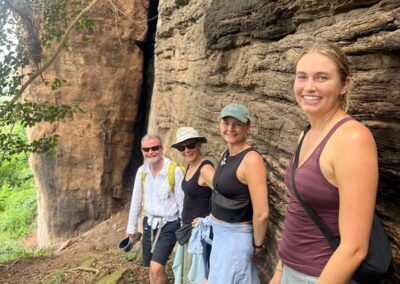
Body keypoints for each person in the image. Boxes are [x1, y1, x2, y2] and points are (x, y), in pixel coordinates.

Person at [269, 42, 379, 284]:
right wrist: (279, 272)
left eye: (321, 78)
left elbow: (355, 247)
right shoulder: (306, 134)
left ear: (345, 84)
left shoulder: (352, 139)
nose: (309, 87)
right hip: (290, 271)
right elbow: (298, 208)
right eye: (302, 77)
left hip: (320, 276)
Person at [207, 103, 269, 284]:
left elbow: (262, 213)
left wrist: (257, 245)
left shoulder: (251, 159)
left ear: (247, 126)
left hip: (235, 239)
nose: (230, 129)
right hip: (220, 236)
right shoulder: (227, 153)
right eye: (226, 123)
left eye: (237, 124)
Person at [126, 134, 185, 284]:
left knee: (156, 267)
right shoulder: (142, 171)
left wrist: (186, 230)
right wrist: (131, 227)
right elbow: (136, 200)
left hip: (169, 224)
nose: (151, 152)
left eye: (155, 148)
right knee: (151, 268)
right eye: (147, 149)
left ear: (161, 148)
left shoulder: (173, 171)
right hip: (149, 224)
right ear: (142, 151)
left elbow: (182, 202)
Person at [170, 127, 215, 284]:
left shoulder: (205, 168)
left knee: (196, 277)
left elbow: (225, 194)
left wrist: (210, 218)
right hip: (188, 230)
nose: (186, 150)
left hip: (199, 233)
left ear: (199, 145)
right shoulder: (191, 165)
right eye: (182, 147)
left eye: (190, 145)